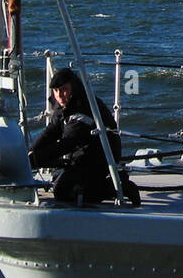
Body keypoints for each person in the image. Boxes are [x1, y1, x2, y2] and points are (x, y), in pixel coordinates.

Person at [30, 67, 139, 205]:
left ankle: (118, 187)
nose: (60, 95)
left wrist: (35, 159)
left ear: (73, 88)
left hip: (100, 157)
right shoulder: (64, 105)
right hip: (82, 154)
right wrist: (32, 151)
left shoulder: (83, 107)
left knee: (63, 192)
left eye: (64, 89)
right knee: (60, 181)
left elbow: (68, 142)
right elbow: (51, 132)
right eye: (56, 91)